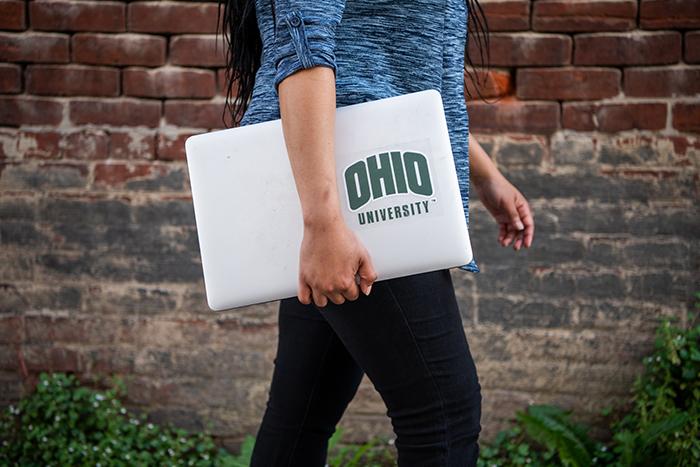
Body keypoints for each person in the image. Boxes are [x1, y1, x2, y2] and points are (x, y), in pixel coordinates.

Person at [217, 0, 535, 465]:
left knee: (302, 415)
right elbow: (302, 44)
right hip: (356, 196)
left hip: (360, 182)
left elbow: (394, 72)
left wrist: (485, 176)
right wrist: (323, 222)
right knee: (443, 414)